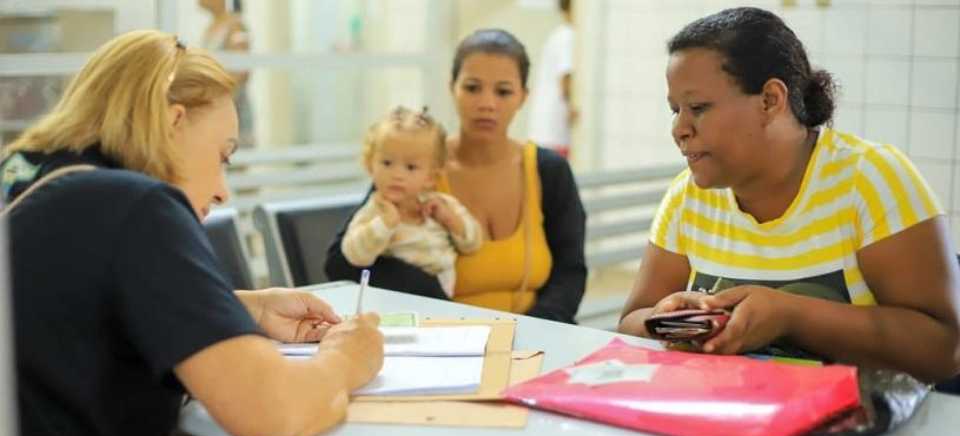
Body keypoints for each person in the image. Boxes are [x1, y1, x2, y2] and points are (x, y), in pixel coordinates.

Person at [1, 30, 383, 436]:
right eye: (223, 156)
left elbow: (75, 312)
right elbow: (277, 413)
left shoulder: (33, 182)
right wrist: (346, 360)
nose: (223, 191)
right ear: (174, 122)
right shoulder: (138, 205)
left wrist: (240, 308)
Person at [618, 7, 960, 383]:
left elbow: (945, 350)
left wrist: (790, 315)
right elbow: (631, 322)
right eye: (675, 110)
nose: (679, 129)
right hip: (728, 426)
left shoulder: (872, 180)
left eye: (698, 108)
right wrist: (664, 320)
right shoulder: (688, 197)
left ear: (770, 99)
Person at [327, 29, 587, 324]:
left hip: (539, 338)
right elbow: (340, 264)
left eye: (503, 91)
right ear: (452, 88)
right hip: (445, 338)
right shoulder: (417, 167)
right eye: (473, 87)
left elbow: (570, 272)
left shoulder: (549, 171)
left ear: (523, 97)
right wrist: (436, 303)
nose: (487, 103)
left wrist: (531, 332)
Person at [341, 106, 483, 298]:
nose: (397, 175)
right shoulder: (376, 211)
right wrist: (385, 224)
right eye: (387, 163)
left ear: (431, 177)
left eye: (411, 167)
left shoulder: (441, 204)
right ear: (369, 165)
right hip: (394, 303)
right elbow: (355, 256)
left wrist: (450, 219)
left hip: (443, 302)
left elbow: (473, 243)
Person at [198, 0, 255, 148]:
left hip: (233, 109)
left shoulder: (236, 27)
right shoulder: (211, 27)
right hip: (213, 107)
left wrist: (220, 102)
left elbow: (242, 72)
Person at [527, 0, 576, 157]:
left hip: (545, 131)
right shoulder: (569, 36)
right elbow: (565, 79)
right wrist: (573, 108)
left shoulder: (559, 34)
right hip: (554, 132)